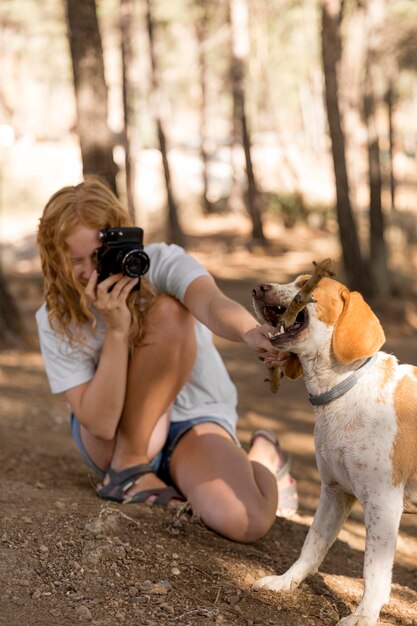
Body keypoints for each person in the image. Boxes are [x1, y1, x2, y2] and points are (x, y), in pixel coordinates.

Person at [36, 176, 298, 543]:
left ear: (119, 239)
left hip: (191, 420)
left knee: (246, 521)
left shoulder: (159, 262)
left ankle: (264, 455)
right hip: (113, 443)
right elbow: (98, 422)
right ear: (54, 257)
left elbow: (210, 302)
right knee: (111, 425)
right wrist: (115, 331)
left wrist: (249, 331)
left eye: (97, 256)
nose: (88, 272)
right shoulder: (54, 317)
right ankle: (130, 470)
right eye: (73, 260)